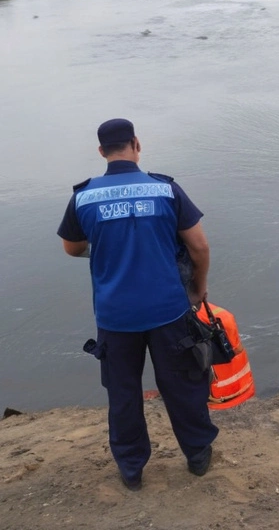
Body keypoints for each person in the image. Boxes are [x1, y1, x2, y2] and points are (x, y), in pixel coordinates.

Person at [57, 118, 219, 491]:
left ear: (101, 152)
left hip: (115, 317)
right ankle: (197, 456)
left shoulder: (83, 197)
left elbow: (72, 247)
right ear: (136, 144)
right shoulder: (165, 190)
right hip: (168, 310)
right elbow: (200, 247)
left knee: (123, 393)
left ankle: (131, 469)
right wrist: (199, 288)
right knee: (182, 384)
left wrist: (107, 247)